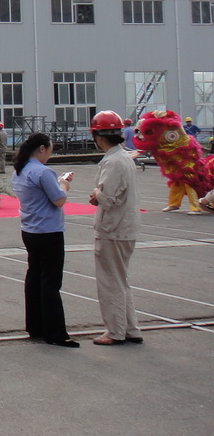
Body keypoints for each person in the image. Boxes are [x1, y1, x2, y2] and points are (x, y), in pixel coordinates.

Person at [12, 132, 77, 348]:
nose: (49, 153)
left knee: (34, 277)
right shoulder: (43, 171)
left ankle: (35, 326)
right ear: (42, 149)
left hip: (29, 229)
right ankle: (55, 332)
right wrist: (64, 184)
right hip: (48, 230)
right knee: (50, 281)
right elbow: (59, 200)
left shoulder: (20, 170)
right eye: (50, 149)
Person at [87, 111, 144, 345]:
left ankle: (115, 331)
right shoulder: (125, 158)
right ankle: (130, 328)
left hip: (113, 228)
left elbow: (108, 199)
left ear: (99, 137)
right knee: (121, 280)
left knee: (110, 282)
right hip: (126, 226)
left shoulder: (112, 161)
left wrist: (96, 193)